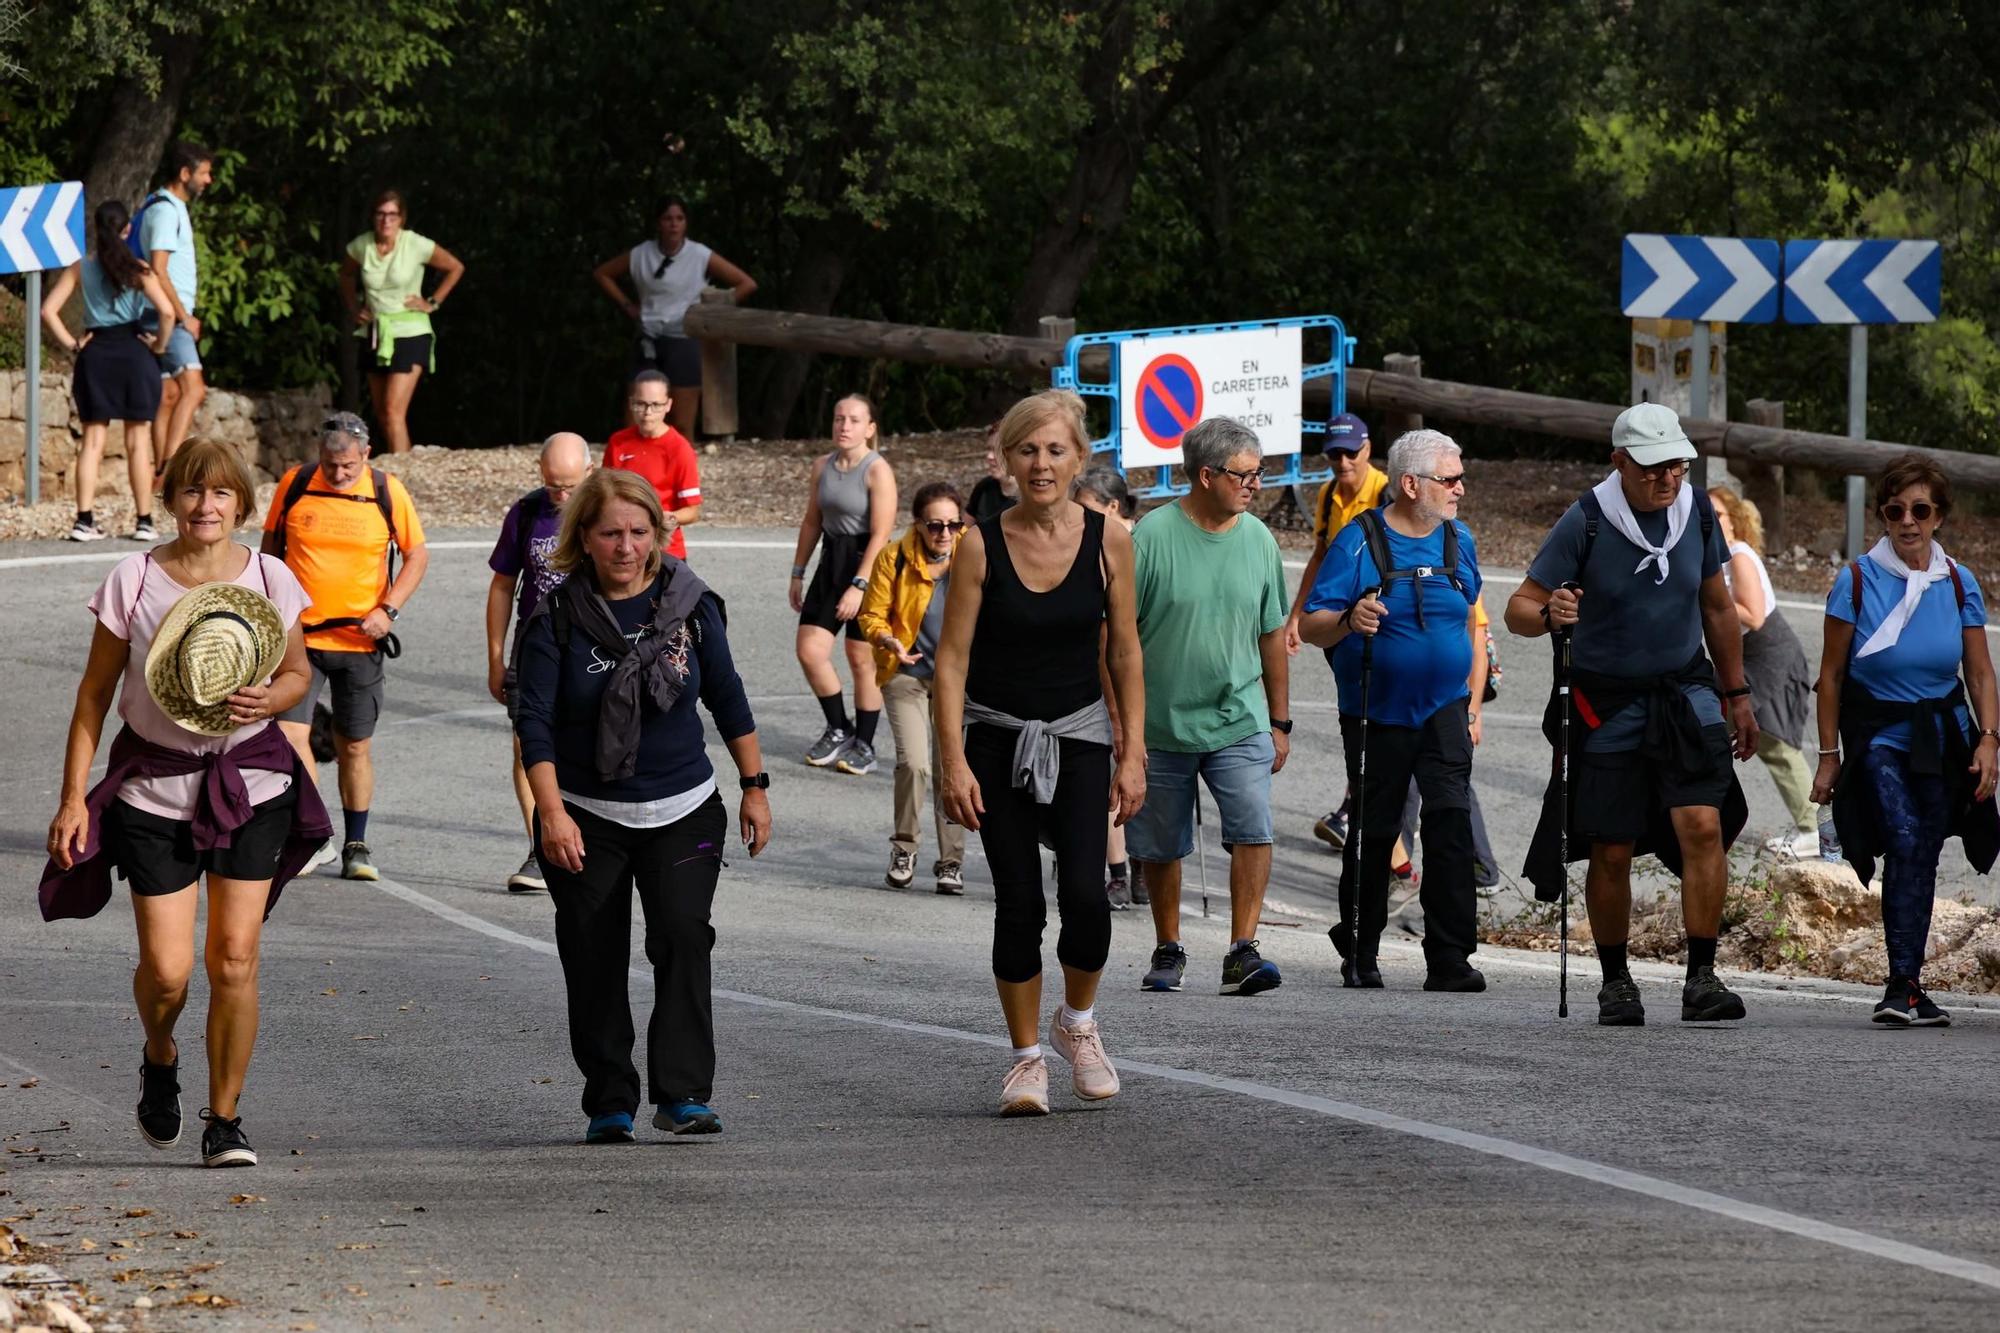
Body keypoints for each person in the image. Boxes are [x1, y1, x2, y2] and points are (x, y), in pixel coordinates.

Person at [39, 438, 329, 1169]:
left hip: (252, 785)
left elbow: (298, 672)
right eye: (194, 492)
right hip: (153, 789)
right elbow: (94, 695)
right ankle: (159, 1054)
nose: (207, 506)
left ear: (241, 502)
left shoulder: (270, 575)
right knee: (168, 970)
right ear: (171, 500)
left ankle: (224, 1118)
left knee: (234, 958)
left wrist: (274, 696)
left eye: (222, 493)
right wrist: (74, 797)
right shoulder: (134, 578)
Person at [513, 469, 772, 1143]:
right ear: (585, 539)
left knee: (684, 936)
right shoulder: (557, 617)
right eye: (610, 533)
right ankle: (609, 1098)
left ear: (659, 534)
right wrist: (552, 814)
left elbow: (728, 695)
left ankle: (682, 1092)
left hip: (684, 806)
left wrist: (755, 784)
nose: (625, 545)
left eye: (638, 531)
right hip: (585, 813)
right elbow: (533, 720)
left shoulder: (690, 605)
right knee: (593, 953)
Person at [1507, 402, 1757, 1026]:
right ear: (1618, 461)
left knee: (1703, 824)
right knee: (1611, 847)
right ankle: (1616, 982)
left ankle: (1702, 976)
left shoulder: (1697, 512)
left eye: (1676, 465)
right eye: (1652, 467)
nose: (1667, 478)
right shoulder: (1587, 520)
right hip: (1606, 699)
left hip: (1684, 691)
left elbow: (1718, 608)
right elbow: (1519, 607)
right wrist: (1549, 616)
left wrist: (1738, 694)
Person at [933, 388, 1146, 1118]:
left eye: (1056, 450)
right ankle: (1027, 1059)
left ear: (1080, 458)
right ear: (1006, 461)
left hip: (1081, 731)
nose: (1042, 463)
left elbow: (1123, 649)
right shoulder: (978, 542)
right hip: (995, 737)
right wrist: (952, 763)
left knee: (1088, 895)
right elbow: (952, 662)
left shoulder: (1111, 538)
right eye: (1028, 450)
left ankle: (1077, 1023)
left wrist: (1133, 750)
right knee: (1020, 902)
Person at [1811, 456, 1999, 1027]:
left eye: (1920, 510)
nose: (1908, 521)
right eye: (1896, 510)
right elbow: (1831, 676)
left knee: (1923, 848)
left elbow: (1980, 672)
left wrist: (1989, 740)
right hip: (1878, 738)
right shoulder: (1858, 580)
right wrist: (1828, 756)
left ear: (1938, 516)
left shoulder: (1960, 581)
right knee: (1906, 836)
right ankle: (1901, 984)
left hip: (1944, 736)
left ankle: (1907, 986)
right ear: (1884, 516)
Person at [1300, 428, 1487, 993]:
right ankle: (1360, 946)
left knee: (1451, 823)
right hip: (1374, 711)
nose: (1460, 489)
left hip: (1446, 709)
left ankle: (1450, 956)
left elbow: (1474, 625)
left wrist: (1474, 703)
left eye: (1460, 477)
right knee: (1377, 827)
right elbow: (1312, 624)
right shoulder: (1359, 540)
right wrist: (1348, 620)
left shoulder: (1460, 539)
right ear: (1411, 484)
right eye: (1449, 479)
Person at [1123, 419, 1291, 996]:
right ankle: (1168, 947)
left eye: (1258, 473)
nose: (1255, 485)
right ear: (1205, 474)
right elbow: (1116, 639)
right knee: (1161, 843)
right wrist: (1127, 727)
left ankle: (1243, 949)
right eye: (1245, 474)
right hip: (1161, 724)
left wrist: (1280, 720)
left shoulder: (1260, 540)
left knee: (1254, 828)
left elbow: (1272, 634)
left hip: (1239, 718)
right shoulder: (1151, 537)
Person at [264, 413, 430, 881]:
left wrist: (389, 610)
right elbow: (270, 548)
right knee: (292, 734)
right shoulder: (295, 484)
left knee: (354, 745)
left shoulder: (385, 490)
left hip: (361, 639)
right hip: (301, 638)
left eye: (348, 467)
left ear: (366, 454)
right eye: (331, 464)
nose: (338, 474)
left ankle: (357, 843)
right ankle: (316, 836)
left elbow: (417, 554)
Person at [487, 432, 592, 892]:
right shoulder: (528, 512)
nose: (563, 496)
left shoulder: (610, 511)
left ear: (591, 471)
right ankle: (540, 847)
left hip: (593, 647)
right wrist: (495, 655)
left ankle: (595, 836)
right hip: (534, 647)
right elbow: (502, 585)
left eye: (570, 485)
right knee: (527, 746)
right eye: (554, 485)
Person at [41, 200, 176, 542]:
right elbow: (168, 313)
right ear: (127, 229)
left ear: (97, 228)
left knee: (92, 441)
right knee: (137, 442)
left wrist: (73, 344)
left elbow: (47, 311)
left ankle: (83, 520)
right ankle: (144, 521)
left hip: (96, 354)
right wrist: (158, 346)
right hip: (134, 354)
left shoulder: (80, 267)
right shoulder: (140, 269)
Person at [856, 481, 968, 894]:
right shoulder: (894, 557)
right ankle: (904, 847)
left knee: (950, 768)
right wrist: (888, 640)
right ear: (918, 524)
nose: (944, 533)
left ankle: (951, 861)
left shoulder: (972, 552)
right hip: (906, 674)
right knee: (916, 764)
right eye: (935, 524)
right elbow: (871, 617)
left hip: (957, 679)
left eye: (953, 524)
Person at [1284, 413, 1385, 851]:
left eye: (1351, 452)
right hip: (1339, 625)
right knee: (1356, 716)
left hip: (1381, 623)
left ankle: (1362, 816)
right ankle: (1358, 811)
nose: (1343, 462)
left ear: (1368, 449)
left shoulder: (1387, 490)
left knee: (1376, 720)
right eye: (1334, 454)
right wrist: (1296, 616)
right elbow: (1321, 555)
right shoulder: (1328, 496)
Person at [1708, 487, 1820, 858]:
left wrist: (1706, 596)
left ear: (1734, 520)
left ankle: (1815, 830)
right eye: (1704, 517)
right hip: (1746, 659)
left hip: (1770, 657)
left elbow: (1753, 616)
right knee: (1713, 730)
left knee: (1774, 743)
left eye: (1718, 516)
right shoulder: (1715, 561)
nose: (1711, 523)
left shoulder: (1738, 554)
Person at [788, 395, 897, 775]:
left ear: (870, 429)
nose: (844, 426)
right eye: (838, 419)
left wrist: (860, 585)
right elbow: (811, 522)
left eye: (853, 420)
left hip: (868, 564)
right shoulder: (822, 466)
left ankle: (865, 742)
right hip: (831, 561)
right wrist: (798, 572)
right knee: (810, 651)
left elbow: (882, 532)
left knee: (860, 657)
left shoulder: (877, 470)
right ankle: (839, 727)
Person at [591, 194, 757, 440]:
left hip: (683, 338)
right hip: (648, 337)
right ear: (658, 222)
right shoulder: (641, 254)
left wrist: (709, 313)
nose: (673, 224)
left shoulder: (699, 254)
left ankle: (681, 473)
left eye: (679, 218)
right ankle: (630, 473)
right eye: (668, 218)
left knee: (682, 420)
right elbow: (603, 273)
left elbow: (746, 284)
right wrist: (627, 305)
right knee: (636, 415)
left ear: (686, 223)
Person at [337, 189, 466, 455]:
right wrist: (354, 307)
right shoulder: (362, 246)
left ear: (402, 218)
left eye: (392, 215)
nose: (386, 221)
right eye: (381, 214)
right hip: (375, 332)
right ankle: (405, 467)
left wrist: (432, 302)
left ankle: (400, 477)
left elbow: (455, 267)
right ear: (373, 217)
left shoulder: (415, 244)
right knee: (383, 413)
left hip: (410, 331)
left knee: (394, 410)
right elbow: (345, 275)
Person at [1073, 466, 1141, 909]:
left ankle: (1136, 868)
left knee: (1130, 768)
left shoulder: (1128, 545)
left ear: (1111, 507)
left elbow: (1110, 635)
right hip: (1101, 670)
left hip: (1130, 670)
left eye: (1086, 508)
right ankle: (1123, 870)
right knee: (1113, 774)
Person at [139, 140, 212, 472]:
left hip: (156, 312)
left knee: (168, 394)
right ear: (185, 174)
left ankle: (160, 474)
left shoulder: (161, 205)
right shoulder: (167, 210)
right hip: (165, 313)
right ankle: (172, 469)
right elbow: (159, 269)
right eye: (204, 173)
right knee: (194, 390)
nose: (208, 180)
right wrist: (184, 317)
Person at [604, 370, 702, 561]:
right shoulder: (618, 442)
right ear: (632, 403)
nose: (648, 412)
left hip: (665, 550)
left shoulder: (680, 449)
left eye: (655, 405)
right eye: (641, 404)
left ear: (668, 405)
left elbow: (692, 511)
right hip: (623, 548)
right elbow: (604, 492)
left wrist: (663, 518)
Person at [964, 422, 1018, 523]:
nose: (989, 456)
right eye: (988, 449)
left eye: (996, 450)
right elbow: (964, 531)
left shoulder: (1032, 496)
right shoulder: (984, 487)